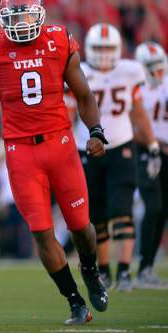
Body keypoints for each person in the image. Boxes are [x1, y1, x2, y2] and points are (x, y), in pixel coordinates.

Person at [0, 0, 108, 325]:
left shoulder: (58, 40)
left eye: (27, 15)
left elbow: (84, 94)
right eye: (14, 16)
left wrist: (97, 132)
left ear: (40, 14)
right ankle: (74, 301)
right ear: (3, 18)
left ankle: (89, 270)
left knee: (81, 228)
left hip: (60, 145)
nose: (21, 23)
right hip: (21, 152)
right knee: (42, 234)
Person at [75, 24, 161, 292]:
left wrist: (152, 144)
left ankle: (124, 271)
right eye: (98, 48)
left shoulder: (129, 71)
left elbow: (137, 111)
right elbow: (66, 113)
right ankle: (105, 272)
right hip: (86, 146)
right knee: (97, 215)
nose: (102, 54)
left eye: (107, 48)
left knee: (121, 210)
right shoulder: (81, 71)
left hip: (122, 145)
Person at [133, 41, 168, 289]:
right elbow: (130, 127)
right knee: (154, 206)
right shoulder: (136, 88)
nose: (157, 71)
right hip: (146, 150)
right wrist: (153, 143)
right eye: (151, 67)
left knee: (163, 210)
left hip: (164, 151)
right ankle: (142, 267)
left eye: (159, 66)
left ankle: (148, 267)